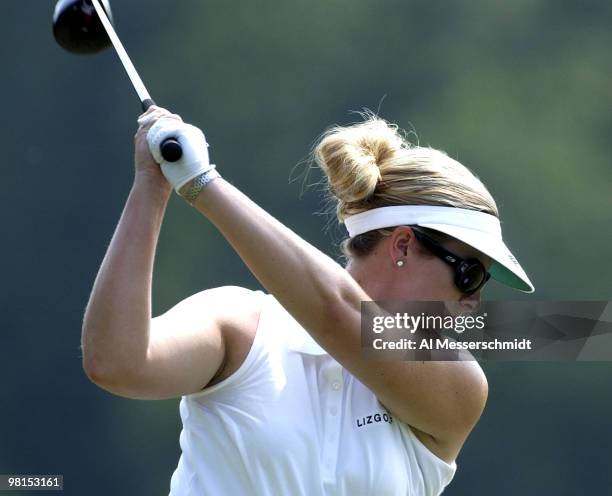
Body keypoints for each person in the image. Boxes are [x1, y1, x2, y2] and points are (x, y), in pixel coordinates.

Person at [81, 106, 534, 496]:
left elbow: (339, 315)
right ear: (401, 247)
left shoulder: (458, 383)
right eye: (469, 274)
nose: (474, 301)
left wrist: (202, 184)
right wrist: (151, 186)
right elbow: (117, 364)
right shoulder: (239, 325)